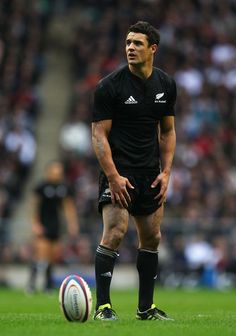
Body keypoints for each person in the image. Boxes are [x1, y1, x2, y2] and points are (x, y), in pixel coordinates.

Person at [91, 21, 177, 321]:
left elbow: (168, 132)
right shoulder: (109, 86)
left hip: (150, 172)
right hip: (120, 172)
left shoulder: (166, 85)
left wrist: (166, 173)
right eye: (128, 42)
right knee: (115, 232)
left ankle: (145, 308)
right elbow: (99, 135)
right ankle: (103, 307)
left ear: (152, 48)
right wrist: (113, 177)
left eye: (137, 43)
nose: (130, 47)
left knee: (152, 237)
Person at [27, 160, 79, 293]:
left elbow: (68, 207)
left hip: (55, 224)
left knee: (53, 256)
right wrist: (36, 224)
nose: (57, 174)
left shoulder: (63, 187)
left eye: (59, 171)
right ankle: (31, 284)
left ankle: (48, 285)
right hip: (43, 223)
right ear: (48, 172)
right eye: (55, 171)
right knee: (41, 255)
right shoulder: (41, 187)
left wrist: (72, 224)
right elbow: (34, 207)